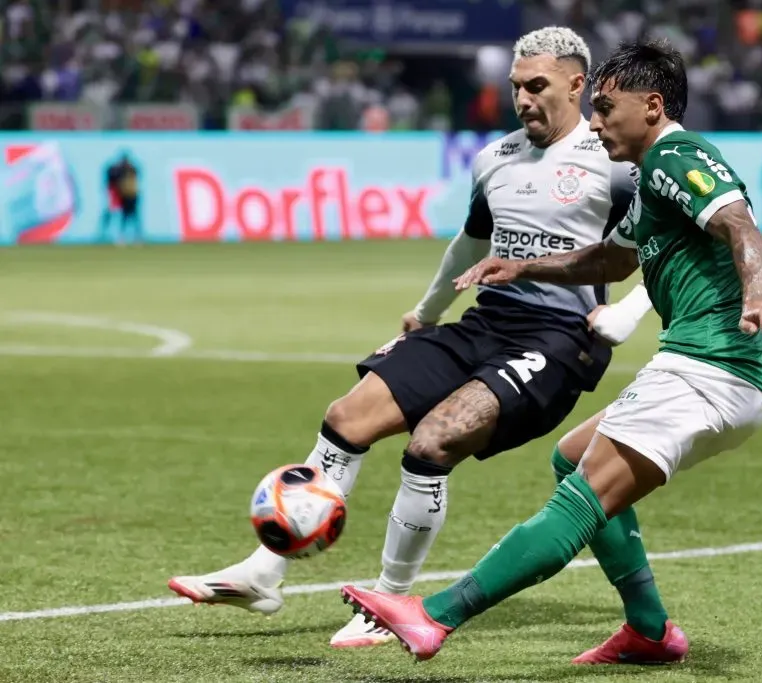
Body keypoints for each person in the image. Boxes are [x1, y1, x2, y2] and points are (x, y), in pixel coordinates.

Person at [168, 27, 679, 657]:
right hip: (486, 321)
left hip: (560, 340)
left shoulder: (616, 162)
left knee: (433, 439)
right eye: (516, 86)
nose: (522, 98)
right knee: (346, 415)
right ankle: (264, 572)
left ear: (578, 83)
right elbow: (468, 245)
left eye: (537, 85)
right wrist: (426, 312)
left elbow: (666, 250)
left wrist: (624, 316)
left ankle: (389, 600)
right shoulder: (496, 158)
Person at [339, 38, 762, 663]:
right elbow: (609, 257)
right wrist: (524, 266)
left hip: (708, 370)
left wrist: (756, 296)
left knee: (578, 500)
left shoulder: (679, 154)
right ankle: (647, 628)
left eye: (608, 107)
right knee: (572, 457)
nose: (597, 121)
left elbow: (738, 221)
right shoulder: (650, 180)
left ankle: (435, 615)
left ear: (653, 105)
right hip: (718, 375)